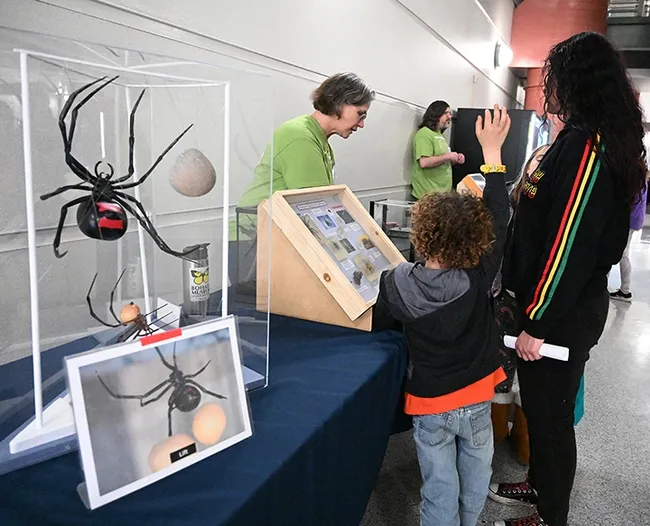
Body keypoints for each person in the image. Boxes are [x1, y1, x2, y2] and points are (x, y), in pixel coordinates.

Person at [489, 32, 647, 526]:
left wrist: (537, 321)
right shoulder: (580, 137)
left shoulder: (586, 145)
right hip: (556, 307)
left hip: (558, 314)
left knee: (552, 420)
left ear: (577, 80)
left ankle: (549, 514)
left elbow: (569, 246)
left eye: (554, 77)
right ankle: (540, 483)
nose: (547, 88)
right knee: (541, 412)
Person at [373, 105, 512, 526]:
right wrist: (493, 155)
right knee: (476, 473)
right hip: (475, 396)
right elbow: (500, 217)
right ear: (475, 237)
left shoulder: (396, 282)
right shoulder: (478, 276)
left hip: (429, 401)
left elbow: (380, 322)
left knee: (437, 484)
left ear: (422, 231)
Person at [237, 72, 375, 210]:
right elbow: (316, 209)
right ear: (339, 103)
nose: (362, 124)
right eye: (360, 114)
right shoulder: (300, 137)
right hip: (256, 229)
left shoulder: (318, 139)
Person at [411, 100, 465, 200]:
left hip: (442, 196)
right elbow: (424, 162)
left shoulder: (439, 135)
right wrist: (448, 156)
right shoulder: (424, 134)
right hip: (428, 197)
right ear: (435, 114)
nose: (450, 116)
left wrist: (455, 158)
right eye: (446, 113)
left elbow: (442, 162)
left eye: (450, 113)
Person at [609, 171, 648, 302]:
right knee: (622, 251)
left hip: (629, 220)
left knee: (622, 252)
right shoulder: (641, 178)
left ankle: (625, 290)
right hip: (635, 219)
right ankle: (623, 289)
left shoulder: (635, 178)